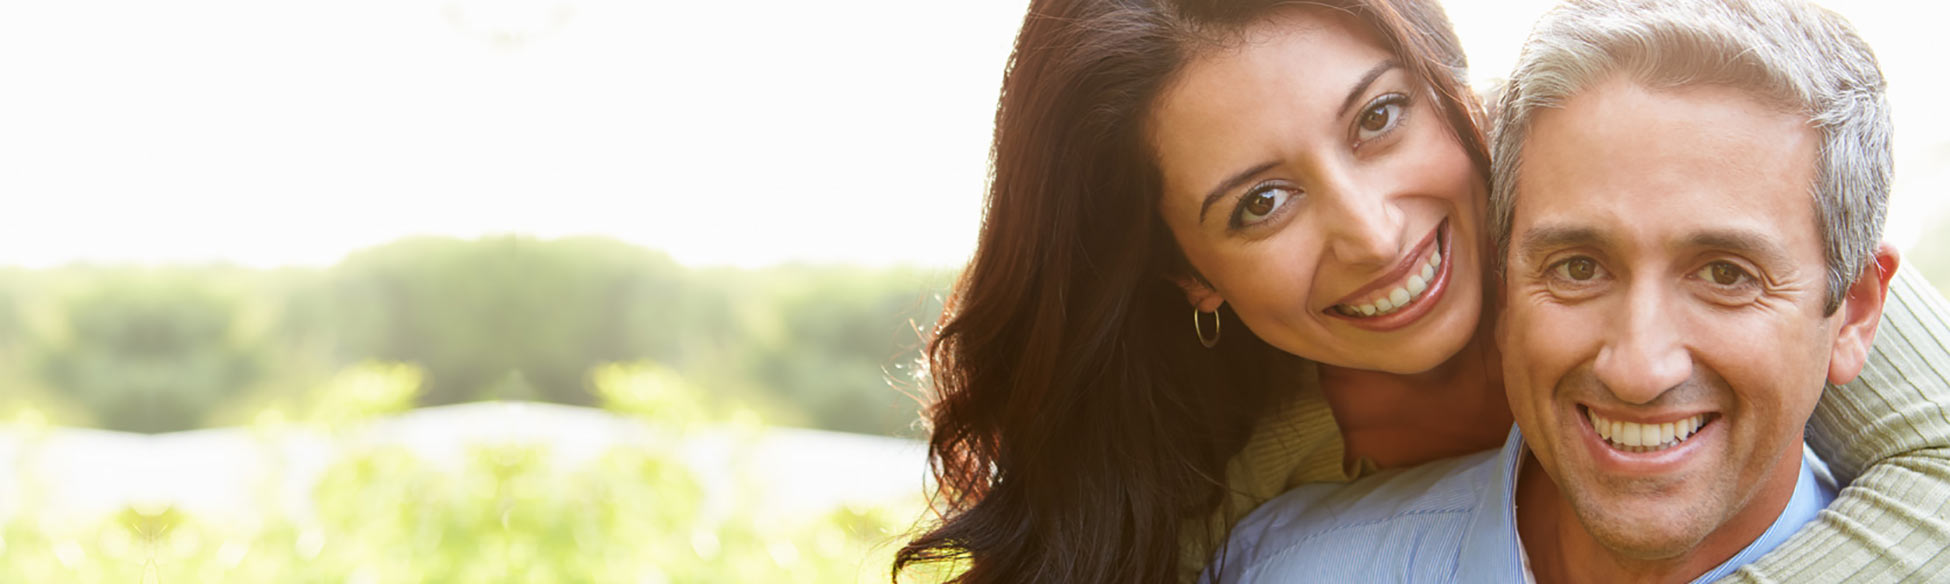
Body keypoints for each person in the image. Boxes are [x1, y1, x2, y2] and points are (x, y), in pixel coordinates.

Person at [895, 0, 1950, 582]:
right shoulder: (1231, 496)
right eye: (1260, 203)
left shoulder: (1623, 175)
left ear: (1453, 88)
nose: (1373, 230)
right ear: (1190, 274)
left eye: (1378, 118)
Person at [1206, 0, 1903, 581]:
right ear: (1504, 291)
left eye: (1726, 274)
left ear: (1856, 315)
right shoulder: (1278, 566)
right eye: (1577, 267)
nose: (1637, 369)